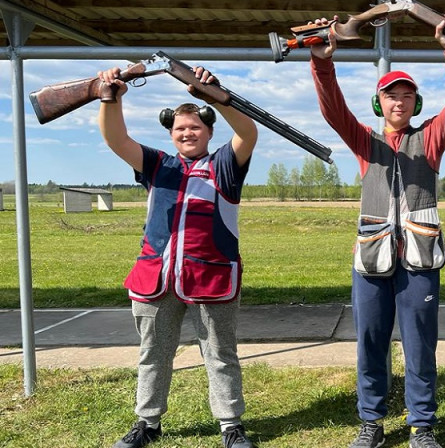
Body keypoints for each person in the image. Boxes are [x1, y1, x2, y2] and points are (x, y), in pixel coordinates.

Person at [309, 11, 445, 448]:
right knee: (370, 343)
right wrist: (321, 63)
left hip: (420, 260)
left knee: (421, 345)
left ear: (416, 104)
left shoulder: (432, 139)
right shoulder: (365, 141)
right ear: (379, 103)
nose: (399, 103)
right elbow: (333, 112)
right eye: (390, 96)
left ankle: (422, 425)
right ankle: (372, 422)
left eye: (406, 96)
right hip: (372, 258)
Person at [98, 65, 258, 448]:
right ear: (171, 134)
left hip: (212, 278)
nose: (188, 133)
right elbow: (116, 139)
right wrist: (110, 97)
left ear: (209, 132)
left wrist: (215, 96)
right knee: (153, 354)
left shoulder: (224, 164)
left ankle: (230, 425)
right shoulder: (157, 165)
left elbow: (248, 132)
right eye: (180, 129)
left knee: (220, 356)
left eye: (195, 128)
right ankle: (147, 423)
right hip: (156, 278)